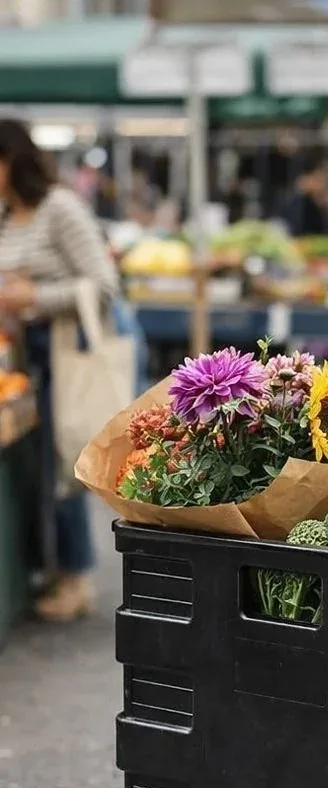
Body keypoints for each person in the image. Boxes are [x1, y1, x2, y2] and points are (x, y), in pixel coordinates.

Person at [0, 117, 131, 622]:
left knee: (66, 460)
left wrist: (34, 295)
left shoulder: (59, 207)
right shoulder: (8, 215)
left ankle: (76, 578)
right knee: (37, 465)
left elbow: (102, 284)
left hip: (67, 347)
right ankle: (51, 569)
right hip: (24, 351)